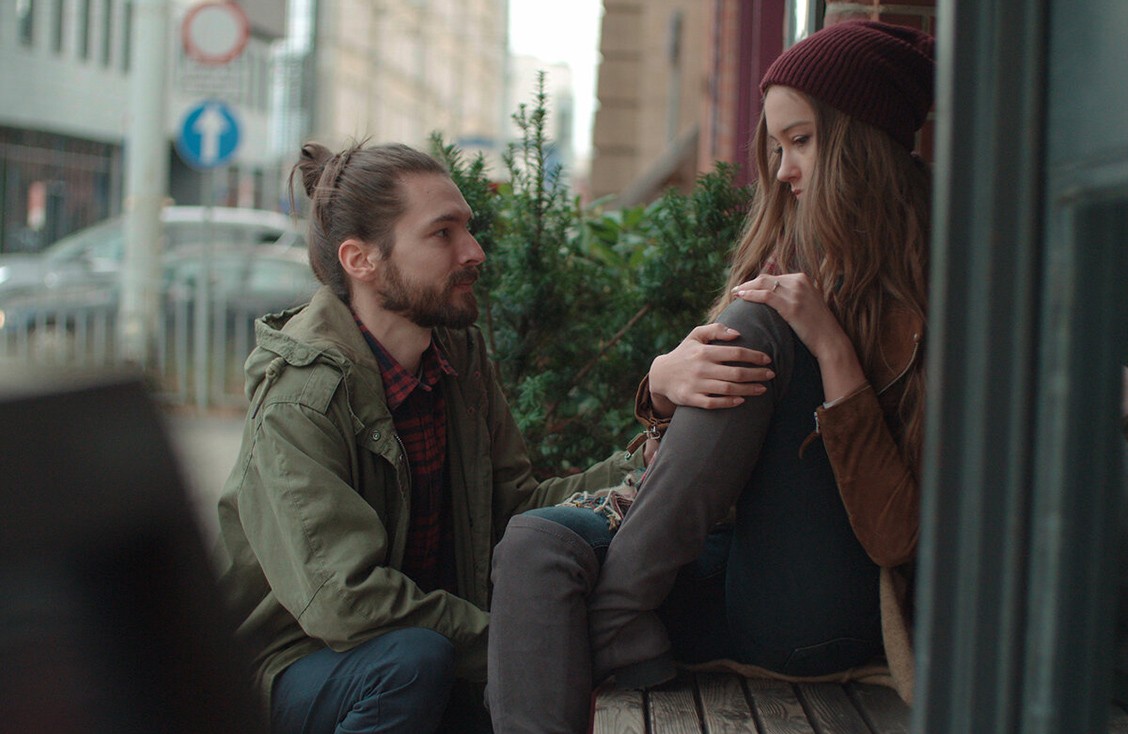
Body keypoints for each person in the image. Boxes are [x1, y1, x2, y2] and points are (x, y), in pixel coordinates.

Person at [486, 20, 933, 732]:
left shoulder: (940, 280)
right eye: (777, 147)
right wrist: (661, 386)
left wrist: (832, 350)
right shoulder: (794, 248)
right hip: (731, 574)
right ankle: (620, 620)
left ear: (862, 143)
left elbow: (896, 537)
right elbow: (713, 457)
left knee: (759, 324)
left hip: (833, 607)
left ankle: (616, 612)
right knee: (535, 546)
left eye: (802, 141)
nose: (782, 170)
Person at [214, 141, 642, 733]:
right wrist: (519, 644)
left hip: (426, 646)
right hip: (293, 665)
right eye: (443, 233)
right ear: (361, 260)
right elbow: (345, 601)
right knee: (413, 663)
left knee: (442, 666)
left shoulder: (456, 356)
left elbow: (516, 509)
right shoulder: (302, 397)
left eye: (467, 228)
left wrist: (651, 455)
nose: (474, 251)